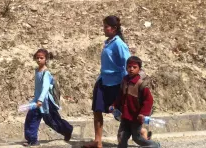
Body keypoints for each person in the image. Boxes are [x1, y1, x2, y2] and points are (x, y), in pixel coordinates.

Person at [83, 16, 131, 148]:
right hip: (103, 81)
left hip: (116, 83)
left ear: (114, 28)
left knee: (122, 113)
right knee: (97, 110)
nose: (104, 29)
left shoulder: (119, 44)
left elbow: (128, 64)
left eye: (106, 26)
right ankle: (98, 142)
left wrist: (128, 84)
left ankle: (141, 133)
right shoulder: (108, 42)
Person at [23, 49, 73, 147]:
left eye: (41, 58)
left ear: (46, 59)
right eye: (37, 58)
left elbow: (45, 87)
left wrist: (40, 100)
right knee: (31, 118)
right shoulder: (37, 71)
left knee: (52, 121)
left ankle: (67, 130)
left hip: (45, 102)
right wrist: (36, 99)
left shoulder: (46, 73)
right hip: (37, 100)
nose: (39, 60)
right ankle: (32, 140)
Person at [110, 56, 160, 148]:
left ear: (139, 69)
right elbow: (120, 96)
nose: (131, 69)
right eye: (129, 67)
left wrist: (143, 114)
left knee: (137, 138)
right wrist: (114, 106)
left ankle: (155, 145)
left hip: (135, 118)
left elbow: (148, 101)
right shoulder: (124, 81)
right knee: (122, 137)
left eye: (134, 67)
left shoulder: (141, 84)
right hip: (125, 116)